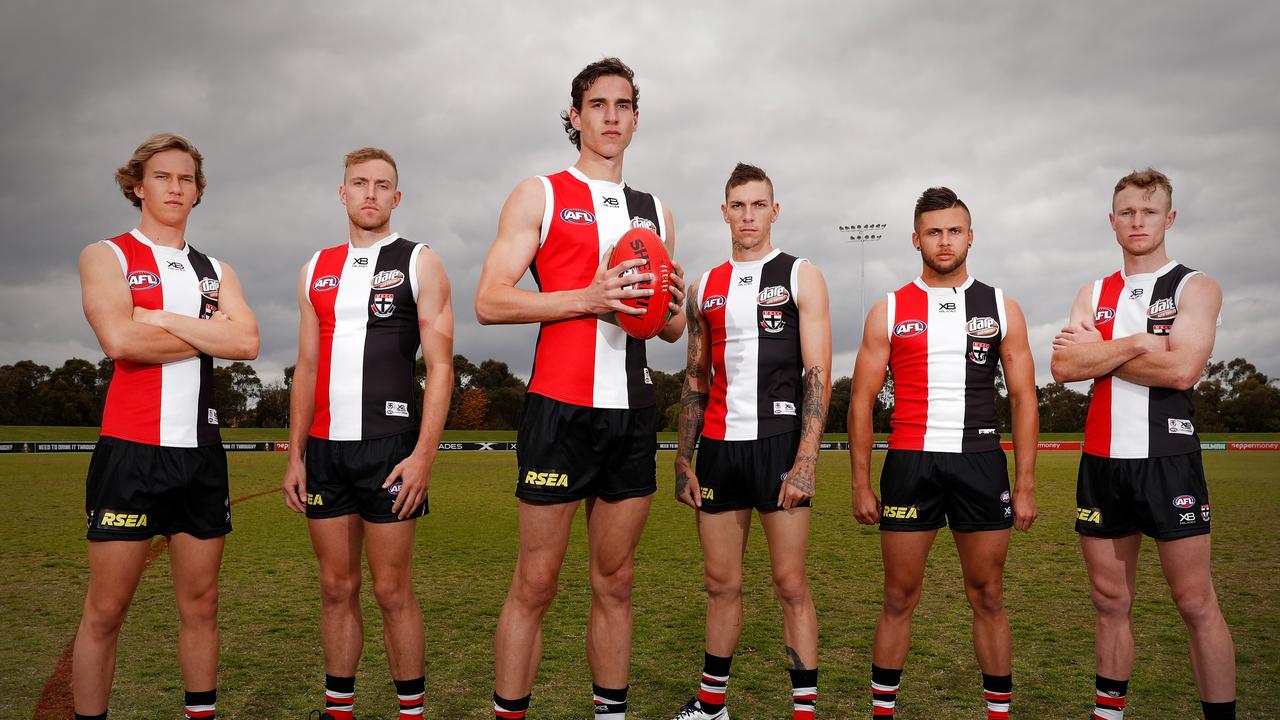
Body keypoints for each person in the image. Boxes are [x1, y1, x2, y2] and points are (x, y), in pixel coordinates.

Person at [475, 57, 685, 720]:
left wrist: (676, 304)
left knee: (616, 582)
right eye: (598, 104)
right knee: (535, 584)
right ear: (576, 116)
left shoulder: (657, 212)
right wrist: (587, 298)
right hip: (560, 407)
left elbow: (671, 330)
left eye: (624, 105)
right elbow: (490, 300)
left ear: (636, 118)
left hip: (632, 409)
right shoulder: (538, 192)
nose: (612, 116)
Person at [73, 133, 260, 720]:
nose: (175, 187)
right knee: (106, 611)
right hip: (131, 451)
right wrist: (205, 330)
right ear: (137, 185)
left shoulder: (216, 269)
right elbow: (120, 340)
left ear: (198, 192)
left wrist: (157, 316)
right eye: (162, 177)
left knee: (201, 605)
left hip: (201, 456)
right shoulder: (107, 255)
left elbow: (247, 342)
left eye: (186, 179)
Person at [1050, 168, 1236, 720]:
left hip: (1168, 462)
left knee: (1195, 603)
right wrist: (1133, 342)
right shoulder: (1093, 291)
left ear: (1169, 219)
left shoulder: (1195, 287)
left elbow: (1182, 370)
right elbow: (1063, 365)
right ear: (1112, 221)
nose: (1138, 221)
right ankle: (1108, 714)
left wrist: (1100, 354)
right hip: (1102, 462)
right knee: (1110, 602)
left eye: (1149, 212)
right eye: (1127, 212)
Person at [849, 187, 1038, 719]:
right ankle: (881, 712)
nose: (945, 240)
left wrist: (1024, 484)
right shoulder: (889, 308)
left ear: (971, 236)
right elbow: (861, 402)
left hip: (980, 461)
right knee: (898, 597)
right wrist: (861, 483)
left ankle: (997, 713)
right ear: (916, 239)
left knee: (989, 595)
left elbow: (1024, 398)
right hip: (911, 462)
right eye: (934, 231)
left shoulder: (1001, 306)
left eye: (955, 230)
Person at [281, 147, 454, 720]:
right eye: (360, 183)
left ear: (396, 198)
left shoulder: (419, 261)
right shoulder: (315, 267)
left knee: (391, 591)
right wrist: (296, 455)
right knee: (335, 588)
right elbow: (305, 369)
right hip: (326, 453)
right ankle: (339, 710)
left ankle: (411, 713)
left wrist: (424, 456)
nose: (371, 194)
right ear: (343, 193)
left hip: (390, 452)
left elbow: (441, 365)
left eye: (383, 185)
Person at [671, 163, 831, 720]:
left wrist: (806, 461)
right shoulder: (703, 286)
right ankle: (712, 704)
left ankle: (804, 710)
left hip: (780, 445)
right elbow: (694, 379)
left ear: (774, 210)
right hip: (718, 448)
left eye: (758, 205)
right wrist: (683, 459)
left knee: (790, 582)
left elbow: (816, 372)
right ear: (724, 211)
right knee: (720, 582)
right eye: (737, 205)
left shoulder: (800, 275)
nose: (747, 216)